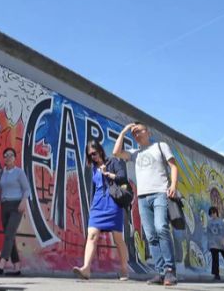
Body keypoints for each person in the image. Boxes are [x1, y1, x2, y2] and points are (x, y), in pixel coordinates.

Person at [113, 122, 179, 286]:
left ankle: (170, 271)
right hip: (142, 198)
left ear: (148, 132)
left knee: (161, 227)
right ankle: (161, 272)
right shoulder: (135, 153)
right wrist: (124, 131)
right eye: (133, 133)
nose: (136, 134)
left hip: (160, 193)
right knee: (150, 235)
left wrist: (173, 185)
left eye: (138, 131)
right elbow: (116, 152)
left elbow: (173, 166)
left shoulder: (160, 146)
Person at [72, 141, 130, 281]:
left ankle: (124, 270)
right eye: (90, 155)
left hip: (113, 204)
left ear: (100, 150)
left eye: (94, 153)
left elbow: (123, 178)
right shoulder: (92, 168)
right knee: (92, 235)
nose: (93, 157)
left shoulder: (113, 162)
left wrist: (108, 174)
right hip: (97, 205)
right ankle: (86, 269)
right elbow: (95, 187)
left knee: (118, 239)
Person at [0, 147, 30, 276]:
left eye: (11, 155)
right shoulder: (2, 173)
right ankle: (17, 268)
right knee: (9, 236)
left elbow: (27, 189)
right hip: (4, 206)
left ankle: (2, 263)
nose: (8, 157)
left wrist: (23, 201)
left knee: (9, 235)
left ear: (15, 158)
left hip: (16, 206)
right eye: (6, 155)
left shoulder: (19, 172)